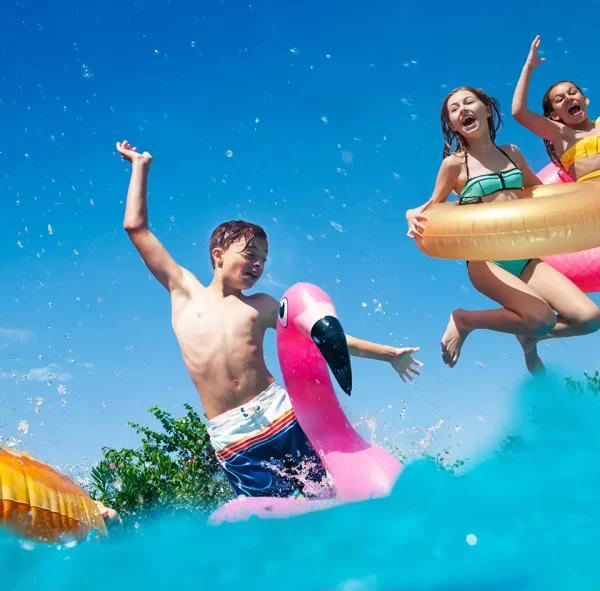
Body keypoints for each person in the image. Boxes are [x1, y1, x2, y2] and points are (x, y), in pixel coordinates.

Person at [116, 140, 422, 499]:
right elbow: (135, 228)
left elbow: (321, 338)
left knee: (324, 500)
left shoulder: (260, 305)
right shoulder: (183, 291)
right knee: (275, 524)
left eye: (264, 257)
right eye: (250, 254)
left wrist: (388, 354)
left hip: (282, 417)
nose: (259, 264)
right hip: (232, 437)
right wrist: (140, 165)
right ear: (217, 255)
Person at [405, 87, 600, 373]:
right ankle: (465, 320)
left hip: (524, 256)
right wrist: (411, 213)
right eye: (454, 110)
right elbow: (432, 206)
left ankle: (528, 334)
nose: (463, 110)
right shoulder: (454, 165)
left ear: (486, 109)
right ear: (453, 124)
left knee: (589, 318)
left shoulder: (511, 152)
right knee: (543, 316)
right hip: (486, 260)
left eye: (469, 102)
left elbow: (538, 192)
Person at [512, 35, 600, 182]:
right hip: (589, 197)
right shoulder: (561, 135)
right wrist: (528, 67)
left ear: (585, 100)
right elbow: (518, 112)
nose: (568, 98)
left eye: (572, 93)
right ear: (554, 116)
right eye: (560, 99)